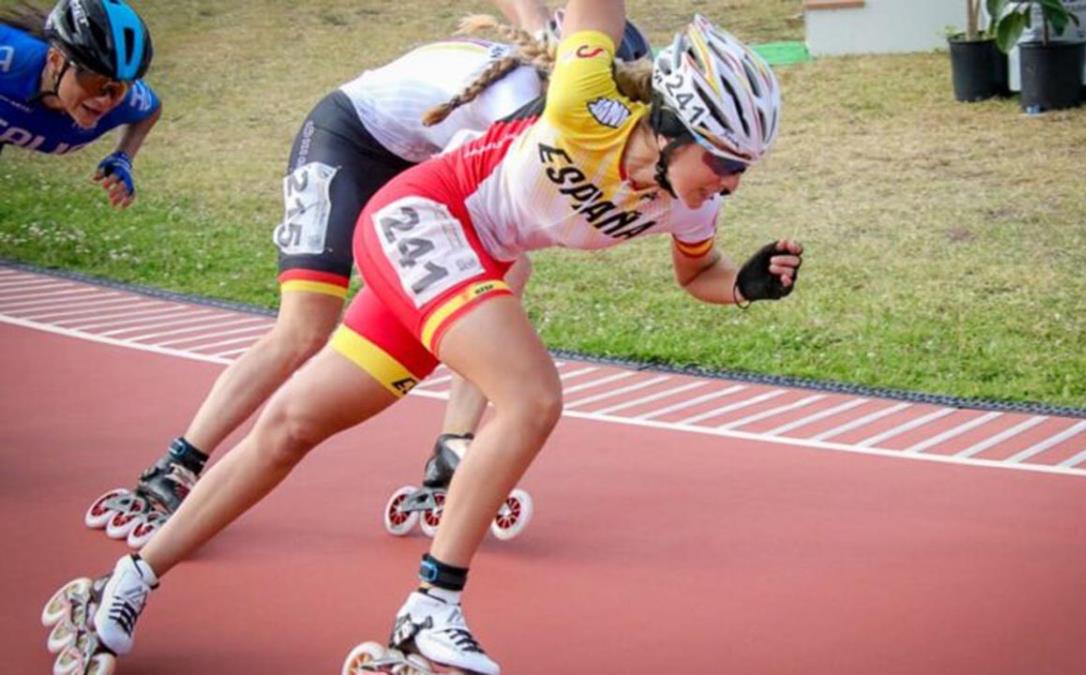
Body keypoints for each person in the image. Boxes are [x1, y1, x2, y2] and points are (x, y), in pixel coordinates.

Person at [46, 2, 800, 674]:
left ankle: (128, 580)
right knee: (532, 396)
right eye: (724, 162)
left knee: (289, 427)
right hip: (424, 216)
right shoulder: (583, 106)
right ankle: (431, 610)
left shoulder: (689, 205)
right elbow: (592, 11)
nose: (730, 183)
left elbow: (698, 273)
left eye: (744, 170)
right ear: (670, 126)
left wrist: (741, 285)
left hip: (469, 259)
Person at [84, 2, 652, 549]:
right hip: (349, 139)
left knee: (503, 276)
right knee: (306, 326)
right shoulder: (527, 102)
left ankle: (451, 448)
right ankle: (180, 461)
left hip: (421, 160)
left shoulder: (551, 96)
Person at [0, 0, 159, 209]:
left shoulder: (127, 102)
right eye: (94, 81)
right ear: (55, 61)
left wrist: (123, 157)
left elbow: (152, 110)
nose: (105, 100)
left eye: (120, 88)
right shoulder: (10, 58)